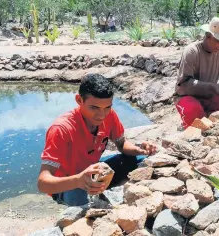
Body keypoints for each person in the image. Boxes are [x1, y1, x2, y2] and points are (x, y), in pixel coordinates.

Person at [37, 74, 157, 206]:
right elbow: (43, 183)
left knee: (143, 160)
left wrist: (140, 149)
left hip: (92, 171)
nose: (102, 115)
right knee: (80, 193)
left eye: (107, 107)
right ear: (79, 100)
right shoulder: (61, 129)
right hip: (68, 183)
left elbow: (122, 145)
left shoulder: (109, 116)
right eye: (94, 108)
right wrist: (78, 180)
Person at [174, 17, 219, 129]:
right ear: (208, 36)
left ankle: (208, 114)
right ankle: (189, 125)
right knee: (195, 118)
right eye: (218, 41)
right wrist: (213, 87)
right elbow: (185, 84)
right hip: (187, 96)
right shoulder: (192, 51)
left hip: (209, 95)